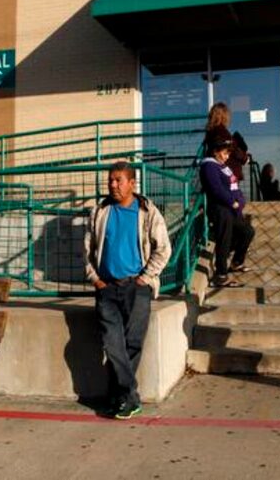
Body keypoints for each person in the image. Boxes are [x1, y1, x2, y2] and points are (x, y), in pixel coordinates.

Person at [84, 161, 171, 420]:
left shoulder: (147, 211)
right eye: (110, 180)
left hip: (137, 287)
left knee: (132, 344)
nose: (112, 185)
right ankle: (130, 396)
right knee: (113, 345)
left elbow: (163, 248)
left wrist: (145, 277)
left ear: (132, 183)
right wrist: (95, 280)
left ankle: (120, 398)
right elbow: (87, 251)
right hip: (106, 287)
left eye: (118, 180)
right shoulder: (100, 211)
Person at [199, 129, 255, 287]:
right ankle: (220, 275)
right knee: (224, 240)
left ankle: (236, 262)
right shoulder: (209, 166)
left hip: (232, 210)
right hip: (220, 209)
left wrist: (240, 201)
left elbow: (235, 187)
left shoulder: (223, 166)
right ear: (215, 152)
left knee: (247, 231)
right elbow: (217, 189)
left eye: (228, 153)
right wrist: (232, 202)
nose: (227, 156)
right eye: (224, 153)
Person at [204, 102, 249, 181]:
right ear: (224, 116)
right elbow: (233, 149)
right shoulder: (222, 132)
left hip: (220, 171)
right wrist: (245, 158)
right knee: (231, 192)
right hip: (229, 172)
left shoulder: (211, 132)